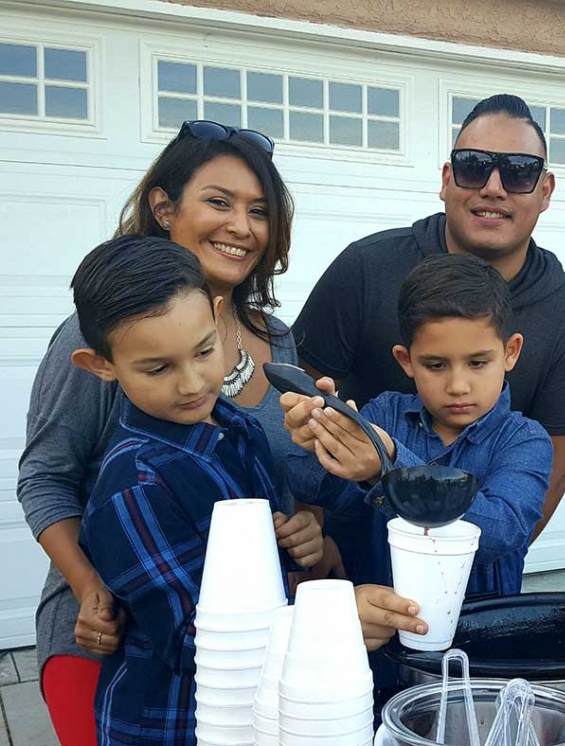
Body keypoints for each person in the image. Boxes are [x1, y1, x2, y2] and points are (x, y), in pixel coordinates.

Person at [15, 121, 348, 746]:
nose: (241, 226)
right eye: (218, 202)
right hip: (121, 624)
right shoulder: (101, 334)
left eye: (259, 210)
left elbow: (279, 473)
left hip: (252, 640)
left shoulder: (276, 340)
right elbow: (46, 476)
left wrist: (307, 522)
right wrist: (91, 589)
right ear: (164, 207)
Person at [70, 236, 420, 746]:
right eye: (157, 368)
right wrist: (332, 620)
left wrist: (297, 537)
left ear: (217, 317)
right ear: (100, 364)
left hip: (265, 712)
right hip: (177, 723)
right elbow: (199, 642)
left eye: (204, 351)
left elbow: (262, 561)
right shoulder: (135, 487)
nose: (191, 382)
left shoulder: (236, 426)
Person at [290, 94, 565, 574]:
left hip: (477, 599)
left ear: (545, 189)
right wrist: (316, 435)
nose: (493, 187)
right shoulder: (365, 269)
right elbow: (320, 459)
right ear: (446, 179)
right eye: (474, 166)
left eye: (519, 171)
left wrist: (450, 564)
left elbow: (526, 505)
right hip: (362, 587)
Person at [285, 253, 553, 595]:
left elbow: (499, 532)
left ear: (510, 352)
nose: (458, 385)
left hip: (484, 632)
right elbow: (315, 490)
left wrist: (390, 467)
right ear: (406, 360)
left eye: (477, 362)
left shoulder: (525, 440)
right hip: (381, 631)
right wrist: (319, 437)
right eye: (436, 365)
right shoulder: (384, 415)